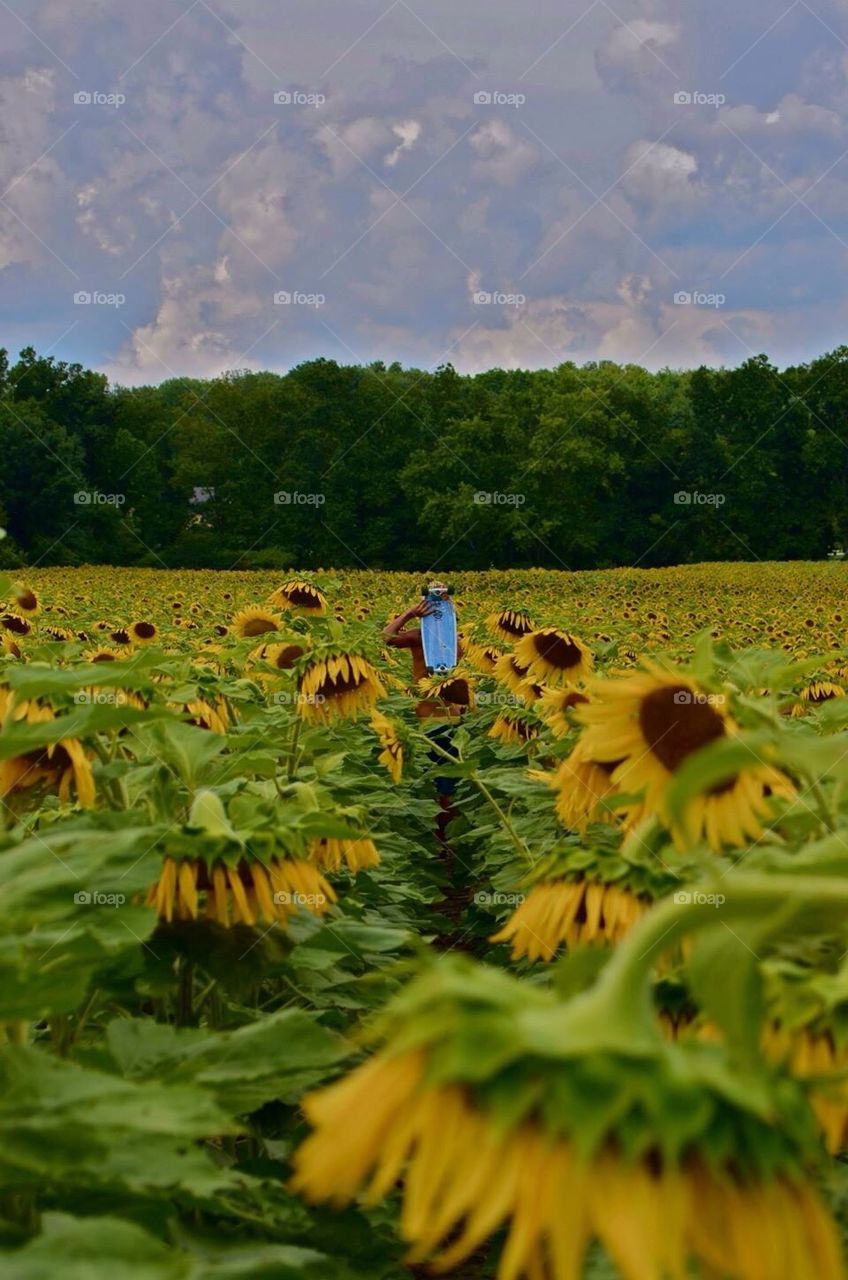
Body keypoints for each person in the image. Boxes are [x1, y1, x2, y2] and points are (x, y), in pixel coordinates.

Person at [382, 583, 466, 846]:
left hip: (429, 720)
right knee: (448, 782)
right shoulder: (455, 641)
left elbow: (384, 637)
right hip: (452, 718)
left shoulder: (419, 636)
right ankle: (449, 844)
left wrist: (409, 614)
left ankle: (439, 842)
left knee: (433, 784)